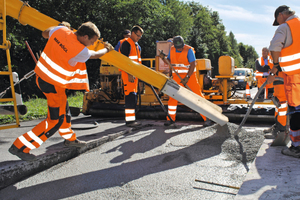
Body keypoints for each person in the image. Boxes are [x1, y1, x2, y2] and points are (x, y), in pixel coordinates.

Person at [8, 22, 114, 161]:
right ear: (85, 36)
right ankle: (20, 146)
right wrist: (107, 49)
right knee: (54, 120)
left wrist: (59, 26)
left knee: (64, 111)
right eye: (91, 41)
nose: (90, 44)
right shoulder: (80, 50)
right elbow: (95, 55)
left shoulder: (61, 30)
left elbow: (45, 33)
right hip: (52, 85)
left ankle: (69, 139)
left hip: (43, 78)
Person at [267, 5, 300, 158]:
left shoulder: (286, 27)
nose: (278, 23)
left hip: (295, 78)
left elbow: (274, 47)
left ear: (281, 15)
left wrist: (275, 66)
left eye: (278, 20)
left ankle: (296, 147)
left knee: (296, 111)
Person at [160, 35, 212, 127]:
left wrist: (187, 77)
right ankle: (171, 119)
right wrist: (163, 58)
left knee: (197, 96)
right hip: (177, 77)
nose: (180, 49)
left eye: (181, 47)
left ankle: (207, 118)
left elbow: (192, 64)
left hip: (190, 77)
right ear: (174, 45)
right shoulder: (172, 49)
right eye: (178, 48)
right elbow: (169, 61)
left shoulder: (189, 50)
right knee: (172, 97)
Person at [119, 25, 143, 127]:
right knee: (130, 97)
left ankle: (131, 120)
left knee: (133, 98)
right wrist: (129, 74)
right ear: (132, 33)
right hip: (128, 75)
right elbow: (124, 61)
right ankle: (130, 121)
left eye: (140, 36)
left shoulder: (135, 45)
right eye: (137, 35)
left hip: (134, 76)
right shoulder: (126, 44)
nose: (138, 38)